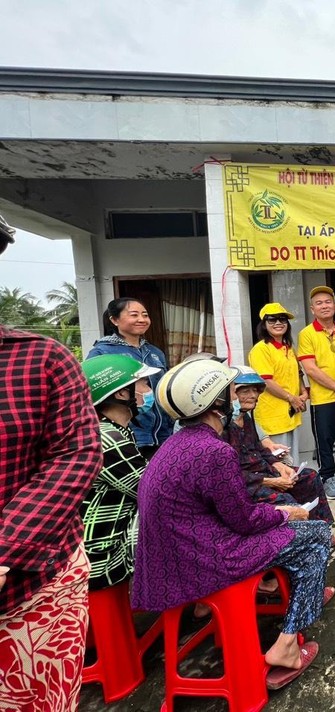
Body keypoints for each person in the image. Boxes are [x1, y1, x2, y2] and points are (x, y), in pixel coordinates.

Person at [134, 359, 333, 690]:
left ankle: (288, 592)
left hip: (175, 562)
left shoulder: (175, 444)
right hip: (207, 560)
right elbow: (245, 520)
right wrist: (287, 514)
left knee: (300, 535)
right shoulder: (215, 450)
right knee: (316, 535)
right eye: (230, 392)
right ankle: (286, 645)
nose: (238, 397)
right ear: (216, 403)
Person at [0, 213, 102, 711]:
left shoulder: (40, 360)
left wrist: (5, 547)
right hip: (119, 554)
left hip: (35, 580)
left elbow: (75, 454)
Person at [80, 354, 159, 591]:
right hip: (103, 554)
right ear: (121, 393)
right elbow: (149, 490)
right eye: (143, 383)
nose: (147, 390)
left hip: (108, 542)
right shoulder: (107, 437)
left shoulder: (117, 430)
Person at [225, 367, 335, 526]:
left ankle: (324, 529)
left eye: (255, 391)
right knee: (287, 502)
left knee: (309, 477)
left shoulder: (247, 418)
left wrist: (279, 466)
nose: (253, 395)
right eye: (245, 391)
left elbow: (260, 449)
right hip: (249, 483)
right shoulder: (224, 427)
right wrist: (272, 481)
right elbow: (232, 474)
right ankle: (307, 539)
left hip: (264, 471)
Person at [87, 297, 173, 458]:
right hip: (129, 436)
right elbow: (94, 393)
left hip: (163, 435)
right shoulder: (102, 353)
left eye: (145, 315)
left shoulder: (155, 352)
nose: (141, 319)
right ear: (114, 320)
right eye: (134, 315)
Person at [297, 286, 335, 500]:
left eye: (328, 302)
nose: (324, 306)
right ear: (312, 309)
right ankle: (327, 476)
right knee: (324, 439)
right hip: (323, 398)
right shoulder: (306, 334)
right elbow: (310, 368)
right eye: (319, 303)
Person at [247, 303, 308, 466]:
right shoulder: (261, 349)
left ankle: (294, 488)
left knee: (293, 460)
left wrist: (303, 392)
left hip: (291, 414)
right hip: (272, 417)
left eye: (282, 319)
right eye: (272, 320)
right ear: (264, 325)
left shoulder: (288, 348)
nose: (278, 323)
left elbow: (298, 373)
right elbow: (266, 381)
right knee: (278, 461)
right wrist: (292, 398)